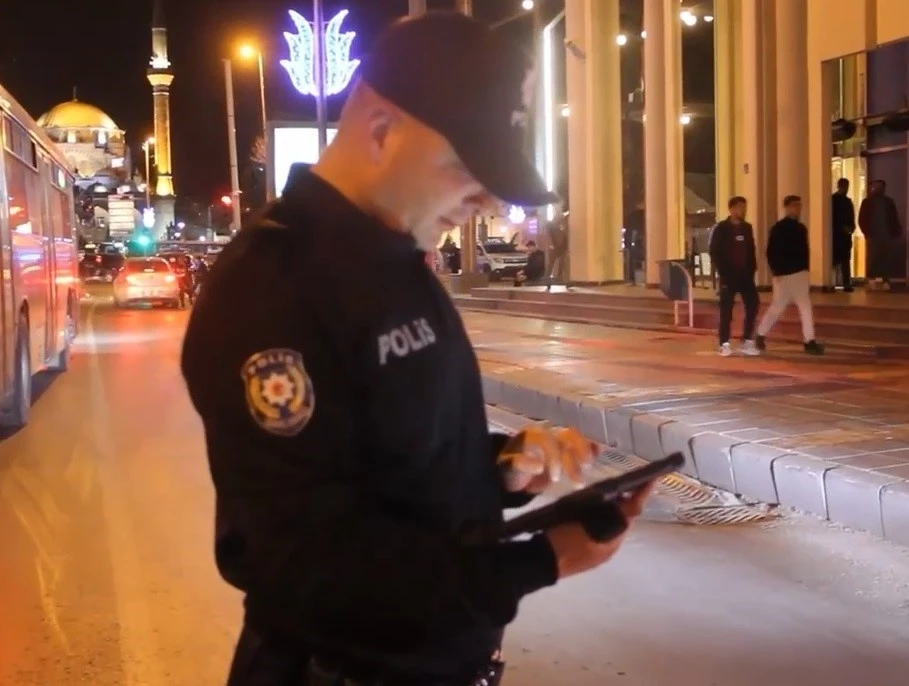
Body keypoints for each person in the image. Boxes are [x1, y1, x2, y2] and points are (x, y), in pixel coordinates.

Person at [181, 12, 655, 686]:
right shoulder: (271, 288)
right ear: (381, 130)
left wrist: (501, 467)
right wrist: (542, 561)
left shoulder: (396, 260)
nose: (485, 199)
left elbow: (391, 458)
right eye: (465, 166)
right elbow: (307, 562)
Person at [755, 195, 824, 355]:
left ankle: (809, 341)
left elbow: (804, 251)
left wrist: (805, 270)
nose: (797, 208)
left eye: (799, 205)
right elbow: (771, 252)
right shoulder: (779, 228)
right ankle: (760, 334)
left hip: (799, 274)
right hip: (785, 275)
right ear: (786, 207)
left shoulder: (800, 228)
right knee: (778, 307)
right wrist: (776, 271)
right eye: (794, 205)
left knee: (804, 308)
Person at [708, 196, 760, 356]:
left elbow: (751, 250)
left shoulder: (747, 228)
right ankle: (724, 343)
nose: (742, 211)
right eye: (739, 207)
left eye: (744, 207)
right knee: (726, 311)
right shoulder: (721, 228)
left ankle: (747, 340)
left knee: (753, 305)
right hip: (728, 276)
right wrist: (722, 271)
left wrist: (752, 268)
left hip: (746, 276)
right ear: (731, 209)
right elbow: (714, 251)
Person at [858, 179, 902, 290]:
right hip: (873, 235)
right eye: (874, 186)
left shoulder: (889, 202)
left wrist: (896, 232)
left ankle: (885, 280)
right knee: (872, 258)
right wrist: (867, 233)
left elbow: (894, 218)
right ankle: (872, 279)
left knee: (886, 258)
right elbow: (862, 219)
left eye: (879, 187)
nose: (875, 189)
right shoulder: (867, 202)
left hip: (886, 234)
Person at [831, 178, 856, 291]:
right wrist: (845, 228)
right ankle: (837, 282)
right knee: (837, 260)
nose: (846, 188)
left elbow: (851, 217)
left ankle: (846, 283)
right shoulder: (834, 200)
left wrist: (851, 228)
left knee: (844, 260)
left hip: (843, 235)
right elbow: (833, 218)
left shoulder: (846, 201)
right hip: (837, 235)